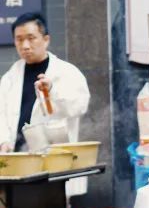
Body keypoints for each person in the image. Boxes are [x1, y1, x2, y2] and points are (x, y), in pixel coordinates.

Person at [0, 12, 90, 196]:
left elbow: (79, 106)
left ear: (46, 39)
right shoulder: (10, 77)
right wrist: (3, 141)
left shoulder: (66, 72)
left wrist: (53, 90)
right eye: (19, 40)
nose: (25, 45)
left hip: (53, 162)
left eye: (31, 38)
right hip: (18, 162)